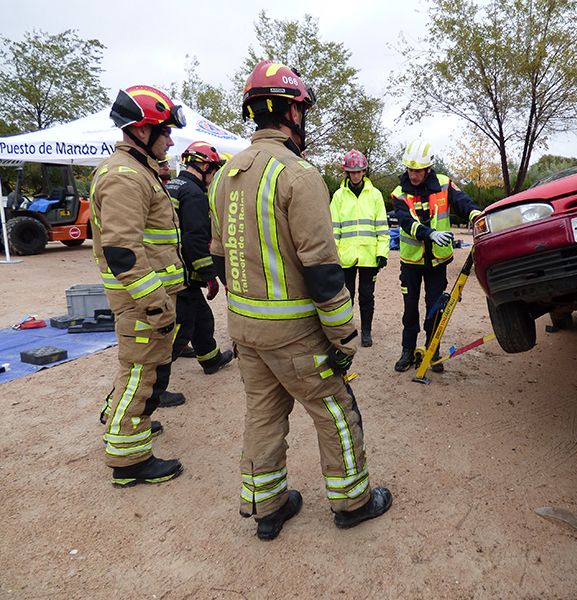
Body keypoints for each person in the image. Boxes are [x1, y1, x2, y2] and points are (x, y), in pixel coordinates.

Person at [209, 60, 392, 540]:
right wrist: (344, 335)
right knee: (336, 411)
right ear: (292, 112)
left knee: (263, 415)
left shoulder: (223, 177)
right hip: (295, 334)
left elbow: (219, 258)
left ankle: (267, 507)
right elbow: (323, 271)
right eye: (301, 111)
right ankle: (353, 501)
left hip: (246, 330)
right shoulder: (300, 174)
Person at [90, 85, 187, 487]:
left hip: (149, 298)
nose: (169, 139)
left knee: (141, 370)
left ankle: (127, 422)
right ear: (141, 130)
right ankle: (129, 460)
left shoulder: (136, 170)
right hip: (143, 301)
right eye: (164, 131)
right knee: (140, 373)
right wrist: (155, 304)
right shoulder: (126, 176)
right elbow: (123, 252)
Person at [391, 139, 481, 373]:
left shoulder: (444, 184)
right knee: (410, 309)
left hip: (438, 263)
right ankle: (407, 351)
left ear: (428, 168)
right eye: (410, 169)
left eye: (418, 170)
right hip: (411, 262)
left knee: (436, 308)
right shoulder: (399, 193)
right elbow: (406, 221)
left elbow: (463, 202)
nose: (413, 174)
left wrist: (475, 215)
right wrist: (429, 233)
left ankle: (433, 350)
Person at [165, 141, 233, 375]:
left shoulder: (173, 185)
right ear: (204, 166)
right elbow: (194, 239)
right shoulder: (194, 193)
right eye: (213, 170)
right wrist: (209, 275)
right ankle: (152, 382)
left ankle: (210, 359)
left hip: (171, 265)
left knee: (202, 317)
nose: (213, 176)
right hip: (182, 271)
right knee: (182, 327)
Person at [329, 149, 389, 347]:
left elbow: (382, 227)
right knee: (347, 297)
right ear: (347, 173)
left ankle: (366, 332)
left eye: (359, 171)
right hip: (345, 257)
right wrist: (333, 256)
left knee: (366, 296)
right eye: (352, 172)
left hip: (369, 256)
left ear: (364, 171)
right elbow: (334, 229)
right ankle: (348, 331)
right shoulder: (338, 196)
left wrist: (382, 253)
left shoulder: (375, 195)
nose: (355, 175)